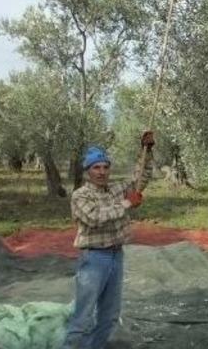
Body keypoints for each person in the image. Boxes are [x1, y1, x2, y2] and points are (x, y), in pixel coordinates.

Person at [60, 131, 154, 349]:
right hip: (94, 259)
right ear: (87, 171)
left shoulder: (116, 189)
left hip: (116, 256)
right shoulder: (81, 195)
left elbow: (140, 178)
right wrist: (126, 205)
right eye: (96, 167)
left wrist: (146, 151)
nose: (102, 172)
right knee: (83, 317)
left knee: (110, 316)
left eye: (105, 167)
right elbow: (95, 218)